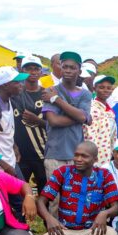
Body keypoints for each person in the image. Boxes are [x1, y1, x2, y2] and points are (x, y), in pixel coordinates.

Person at [37, 141, 118, 235]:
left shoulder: (104, 175)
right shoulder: (63, 172)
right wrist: (49, 218)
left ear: (95, 159)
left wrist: (104, 213)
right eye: (76, 155)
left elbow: (117, 207)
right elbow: (41, 201)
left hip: (92, 232)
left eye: (84, 156)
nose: (78, 159)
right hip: (66, 232)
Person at [42, 52, 92, 217]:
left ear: (79, 71)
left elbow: (83, 117)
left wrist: (56, 100)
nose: (68, 70)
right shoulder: (50, 90)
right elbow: (54, 121)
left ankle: (73, 228)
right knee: (55, 199)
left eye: (72, 67)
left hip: (77, 155)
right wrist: (80, 117)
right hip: (55, 153)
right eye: (65, 67)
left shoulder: (84, 94)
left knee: (75, 196)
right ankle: (55, 230)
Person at [12, 55, 49, 195]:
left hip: (42, 153)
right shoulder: (14, 95)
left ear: (41, 72)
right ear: (22, 70)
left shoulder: (47, 94)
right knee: (18, 192)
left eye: (36, 69)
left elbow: (54, 125)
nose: (32, 72)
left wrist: (37, 120)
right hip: (19, 154)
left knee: (44, 193)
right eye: (28, 69)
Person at [84, 75, 118, 167]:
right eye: (102, 87)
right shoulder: (92, 108)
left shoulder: (110, 111)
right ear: (94, 89)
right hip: (95, 156)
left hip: (108, 155)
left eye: (109, 88)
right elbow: (89, 135)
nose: (106, 90)